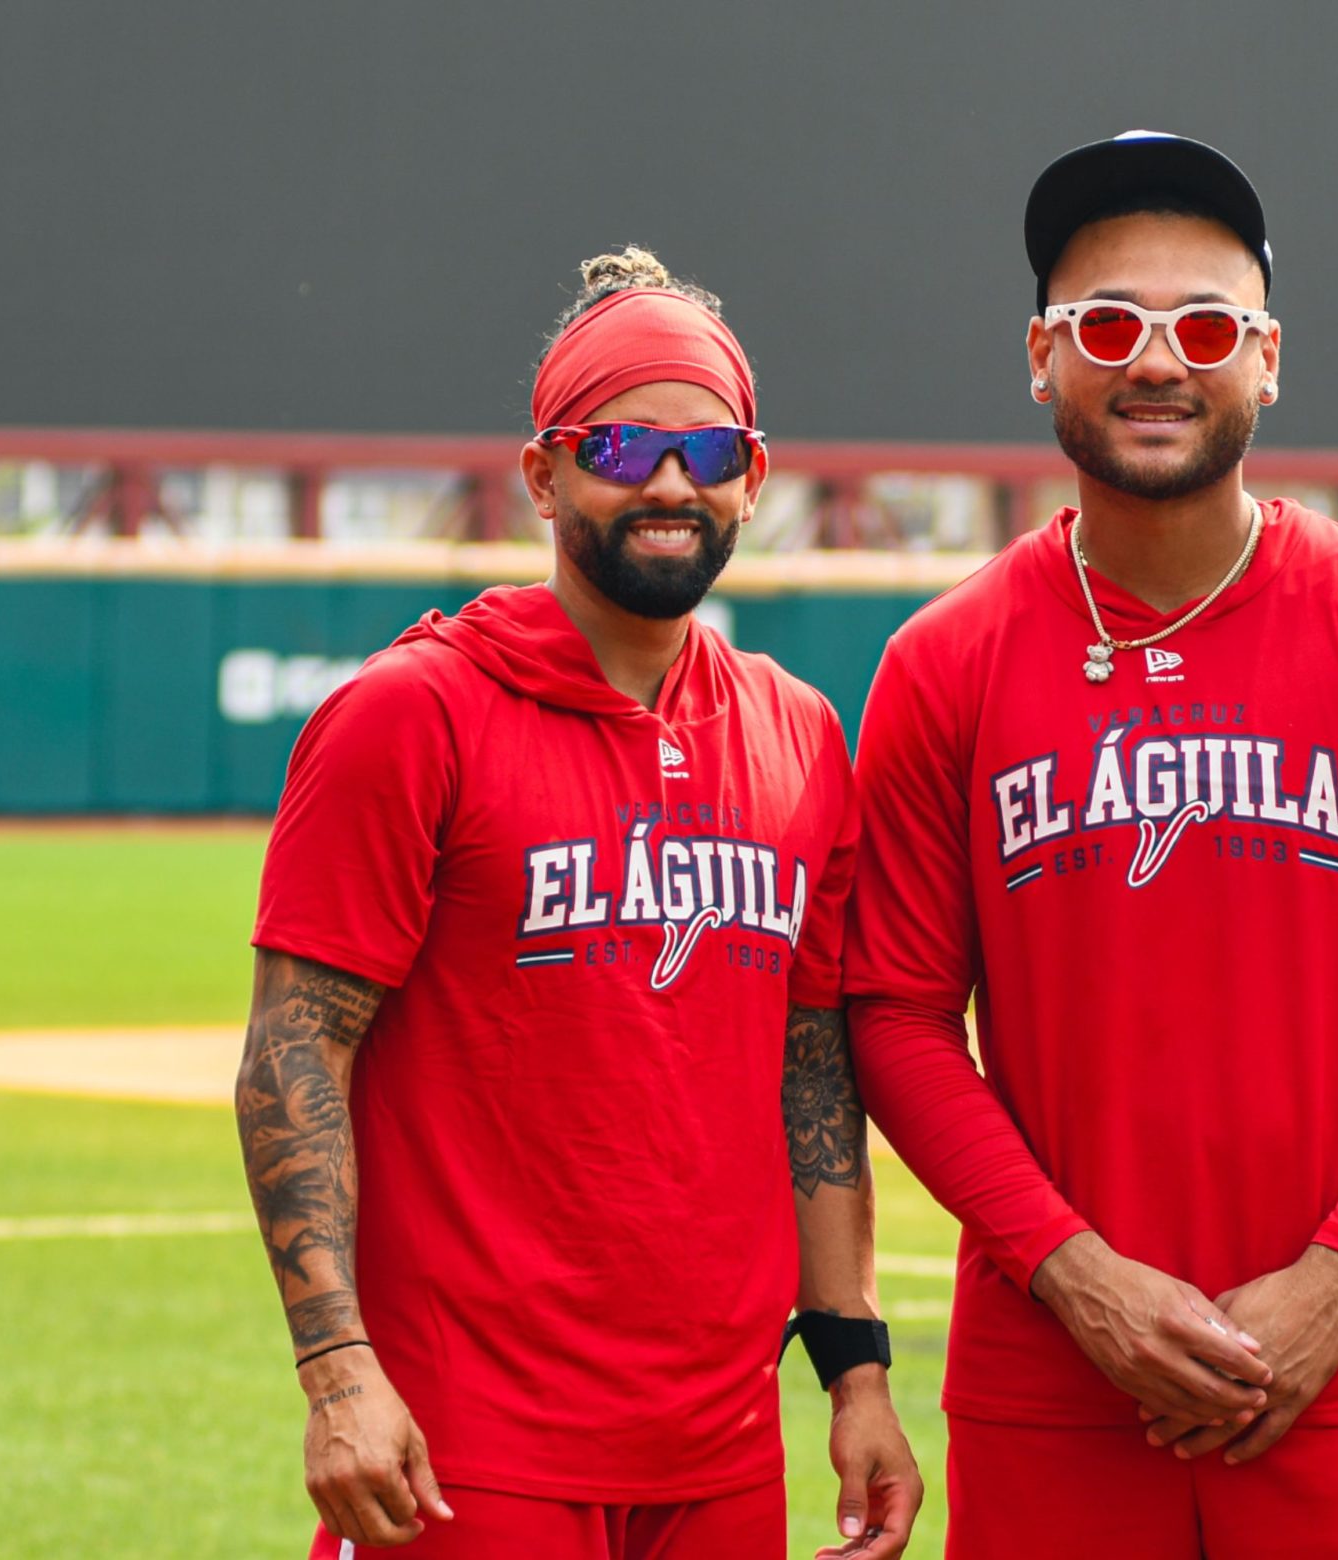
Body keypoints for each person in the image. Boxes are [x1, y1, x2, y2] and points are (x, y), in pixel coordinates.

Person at [841, 131, 1338, 1558]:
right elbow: (901, 1017)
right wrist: (1074, 1274)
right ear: (1043, 358)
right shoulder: (946, 662)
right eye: (1108, 325)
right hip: (1057, 1386)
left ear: (1270, 358)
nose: (1156, 362)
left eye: (1207, 326)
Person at [235, 248, 921, 1558]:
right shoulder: (410, 714)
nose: (671, 482)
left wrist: (856, 1369)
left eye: (710, 450)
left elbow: (812, 1064)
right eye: (622, 444)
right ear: (546, 473)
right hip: (465, 1445)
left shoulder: (797, 735)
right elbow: (291, 1051)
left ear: (753, 479)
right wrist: (336, 1375)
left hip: (719, 1450)